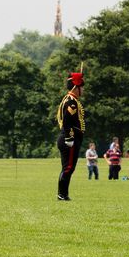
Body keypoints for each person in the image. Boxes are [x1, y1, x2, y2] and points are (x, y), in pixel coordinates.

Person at [55, 70, 85, 201]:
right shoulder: (71, 102)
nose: (83, 90)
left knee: (68, 168)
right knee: (68, 168)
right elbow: (67, 121)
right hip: (70, 137)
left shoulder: (72, 100)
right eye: (81, 87)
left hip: (70, 137)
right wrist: (69, 137)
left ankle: (63, 194)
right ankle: (62, 194)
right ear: (75, 87)